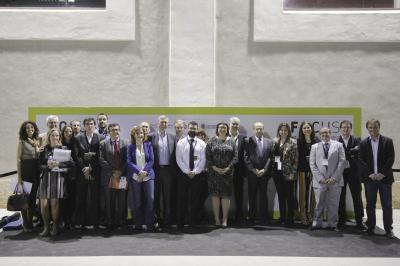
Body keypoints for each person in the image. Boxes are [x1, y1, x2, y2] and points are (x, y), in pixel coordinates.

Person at [359, 119, 395, 238]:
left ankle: (388, 229)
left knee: (387, 205)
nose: (373, 129)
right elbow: (361, 160)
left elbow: (391, 159)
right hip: (370, 179)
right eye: (370, 127)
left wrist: (381, 174)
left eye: (375, 127)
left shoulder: (388, 141)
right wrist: (370, 174)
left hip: (384, 179)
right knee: (370, 205)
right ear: (367, 129)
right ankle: (370, 228)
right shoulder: (363, 143)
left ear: (379, 127)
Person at [38, 128, 74, 236]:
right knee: (44, 205)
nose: (55, 137)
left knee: (54, 204)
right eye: (52, 135)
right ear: (49, 137)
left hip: (58, 178)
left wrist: (58, 164)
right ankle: (46, 226)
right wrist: (47, 166)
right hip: (45, 178)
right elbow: (39, 165)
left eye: (57, 136)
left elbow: (71, 164)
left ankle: (55, 225)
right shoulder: (44, 149)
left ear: (59, 137)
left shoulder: (64, 148)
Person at [309, 127, 345, 231]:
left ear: (330, 133)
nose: (325, 134)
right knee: (319, 203)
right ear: (320, 135)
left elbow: (342, 162)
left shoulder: (338, 145)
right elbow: (312, 164)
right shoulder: (314, 147)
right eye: (322, 133)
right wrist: (320, 178)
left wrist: (334, 177)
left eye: (327, 133)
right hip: (320, 181)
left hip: (335, 181)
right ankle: (317, 223)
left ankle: (332, 224)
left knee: (333, 204)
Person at [74, 117, 105, 229]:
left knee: (94, 199)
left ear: (94, 125)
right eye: (87, 124)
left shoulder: (100, 137)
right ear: (84, 126)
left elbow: (100, 155)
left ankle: (95, 222)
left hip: (95, 172)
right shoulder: (78, 138)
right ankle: (81, 222)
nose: (89, 126)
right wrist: (84, 169)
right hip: (82, 173)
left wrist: (90, 168)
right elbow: (77, 156)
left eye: (91, 124)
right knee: (81, 198)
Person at [206, 122, 238, 228]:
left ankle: (224, 219)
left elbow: (235, 157)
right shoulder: (211, 141)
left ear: (227, 129)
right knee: (215, 196)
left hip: (227, 174)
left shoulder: (232, 141)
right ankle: (217, 219)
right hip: (214, 174)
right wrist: (215, 168)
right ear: (217, 129)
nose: (222, 129)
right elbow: (208, 156)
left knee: (225, 197)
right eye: (220, 127)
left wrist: (228, 168)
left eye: (224, 127)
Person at [175, 121, 207, 228]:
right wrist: (187, 171)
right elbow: (178, 159)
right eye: (191, 128)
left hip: (197, 176)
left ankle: (192, 222)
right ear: (187, 129)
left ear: (197, 129)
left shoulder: (202, 144)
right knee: (181, 199)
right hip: (184, 175)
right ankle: (180, 222)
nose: (192, 130)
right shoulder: (181, 142)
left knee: (195, 200)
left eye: (194, 128)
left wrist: (195, 171)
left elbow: (203, 160)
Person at [99, 123, 129, 229]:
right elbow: (101, 159)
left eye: (116, 129)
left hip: (122, 176)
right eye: (112, 130)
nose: (115, 132)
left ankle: (121, 222)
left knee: (122, 200)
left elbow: (127, 159)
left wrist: (121, 171)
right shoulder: (103, 143)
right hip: (109, 175)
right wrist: (113, 171)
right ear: (108, 132)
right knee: (109, 200)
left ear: (119, 131)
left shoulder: (126, 143)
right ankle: (110, 222)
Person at [337, 120, 366, 230]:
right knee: (341, 197)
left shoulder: (357, 140)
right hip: (341, 173)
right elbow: (350, 153)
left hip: (355, 173)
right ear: (340, 129)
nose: (345, 129)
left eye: (348, 127)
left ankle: (359, 221)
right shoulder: (336, 141)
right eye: (343, 127)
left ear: (351, 129)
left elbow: (358, 152)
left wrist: (347, 152)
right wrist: (351, 152)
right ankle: (341, 219)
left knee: (357, 197)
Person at [127, 126, 156, 231]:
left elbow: (151, 160)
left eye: (141, 133)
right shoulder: (130, 147)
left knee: (150, 200)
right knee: (137, 201)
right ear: (134, 135)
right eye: (137, 133)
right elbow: (129, 161)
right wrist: (139, 172)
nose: (140, 135)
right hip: (136, 177)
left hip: (148, 176)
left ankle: (150, 224)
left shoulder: (148, 145)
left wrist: (144, 172)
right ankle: (138, 224)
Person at [149, 115, 176, 228]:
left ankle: (167, 220)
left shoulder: (172, 137)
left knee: (167, 197)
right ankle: (157, 219)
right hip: (155, 170)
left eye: (165, 122)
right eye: (162, 122)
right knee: (156, 197)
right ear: (158, 123)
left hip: (168, 171)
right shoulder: (151, 137)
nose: (164, 124)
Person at [244, 122, 273, 225]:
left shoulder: (269, 142)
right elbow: (246, 157)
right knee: (252, 196)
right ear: (253, 130)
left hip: (264, 174)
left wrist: (264, 170)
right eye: (257, 129)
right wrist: (253, 170)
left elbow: (270, 157)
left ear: (263, 129)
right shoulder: (248, 141)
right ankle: (251, 216)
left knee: (263, 196)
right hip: (252, 174)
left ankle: (263, 217)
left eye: (261, 129)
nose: (259, 131)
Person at [16, 121, 42, 232]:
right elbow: (18, 159)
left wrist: (38, 148)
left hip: (35, 172)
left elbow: (39, 157)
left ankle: (30, 221)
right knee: (24, 198)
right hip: (26, 171)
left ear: (35, 129)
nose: (30, 129)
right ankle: (25, 223)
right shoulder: (22, 142)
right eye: (27, 128)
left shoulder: (37, 142)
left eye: (32, 127)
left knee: (32, 198)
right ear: (24, 130)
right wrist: (19, 177)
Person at [272, 123, 298, 226]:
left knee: (289, 196)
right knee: (280, 196)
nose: (283, 132)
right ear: (279, 131)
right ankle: (282, 217)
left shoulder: (293, 142)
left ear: (288, 132)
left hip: (288, 173)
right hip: (276, 172)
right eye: (281, 130)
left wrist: (293, 173)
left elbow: (295, 160)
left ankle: (290, 218)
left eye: (285, 130)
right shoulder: (275, 141)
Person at [297, 122, 319, 225]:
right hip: (302, 171)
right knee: (302, 193)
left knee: (312, 194)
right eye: (304, 128)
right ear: (302, 130)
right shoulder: (298, 141)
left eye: (308, 127)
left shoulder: (317, 141)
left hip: (314, 172)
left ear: (311, 129)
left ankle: (310, 214)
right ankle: (303, 214)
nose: (306, 129)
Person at [229, 117, 247, 225]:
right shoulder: (224, 136)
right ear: (229, 124)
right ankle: (224, 215)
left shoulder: (243, 138)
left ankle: (239, 216)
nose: (235, 126)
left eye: (236, 124)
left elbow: (245, 156)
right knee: (225, 194)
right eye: (233, 124)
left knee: (239, 194)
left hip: (239, 172)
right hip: (225, 171)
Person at [60, 125, 79, 229]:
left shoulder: (76, 142)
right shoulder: (59, 143)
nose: (68, 133)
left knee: (72, 198)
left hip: (73, 174)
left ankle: (71, 220)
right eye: (66, 131)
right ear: (63, 133)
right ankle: (63, 219)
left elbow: (78, 158)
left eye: (70, 131)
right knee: (62, 198)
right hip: (61, 174)